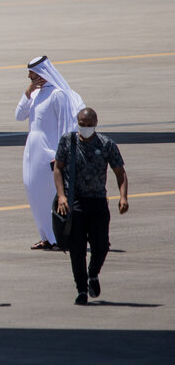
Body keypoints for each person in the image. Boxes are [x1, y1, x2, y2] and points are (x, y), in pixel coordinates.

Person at [54, 107, 129, 305]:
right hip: (75, 202)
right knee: (76, 249)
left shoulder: (106, 144)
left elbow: (120, 172)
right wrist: (61, 196)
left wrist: (123, 197)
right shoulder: (67, 141)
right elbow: (58, 169)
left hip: (97, 202)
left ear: (96, 124)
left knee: (101, 245)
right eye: (82, 124)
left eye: (89, 125)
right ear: (77, 122)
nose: (85, 128)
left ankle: (93, 274)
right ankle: (81, 290)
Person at [15, 55, 84, 251]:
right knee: (34, 193)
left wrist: (61, 154)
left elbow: (66, 126)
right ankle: (46, 236)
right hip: (31, 153)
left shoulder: (58, 94)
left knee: (50, 195)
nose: (30, 77)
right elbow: (19, 116)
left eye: (33, 74)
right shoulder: (35, 94)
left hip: (49, 153)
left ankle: (59, 237)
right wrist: (27, 93)